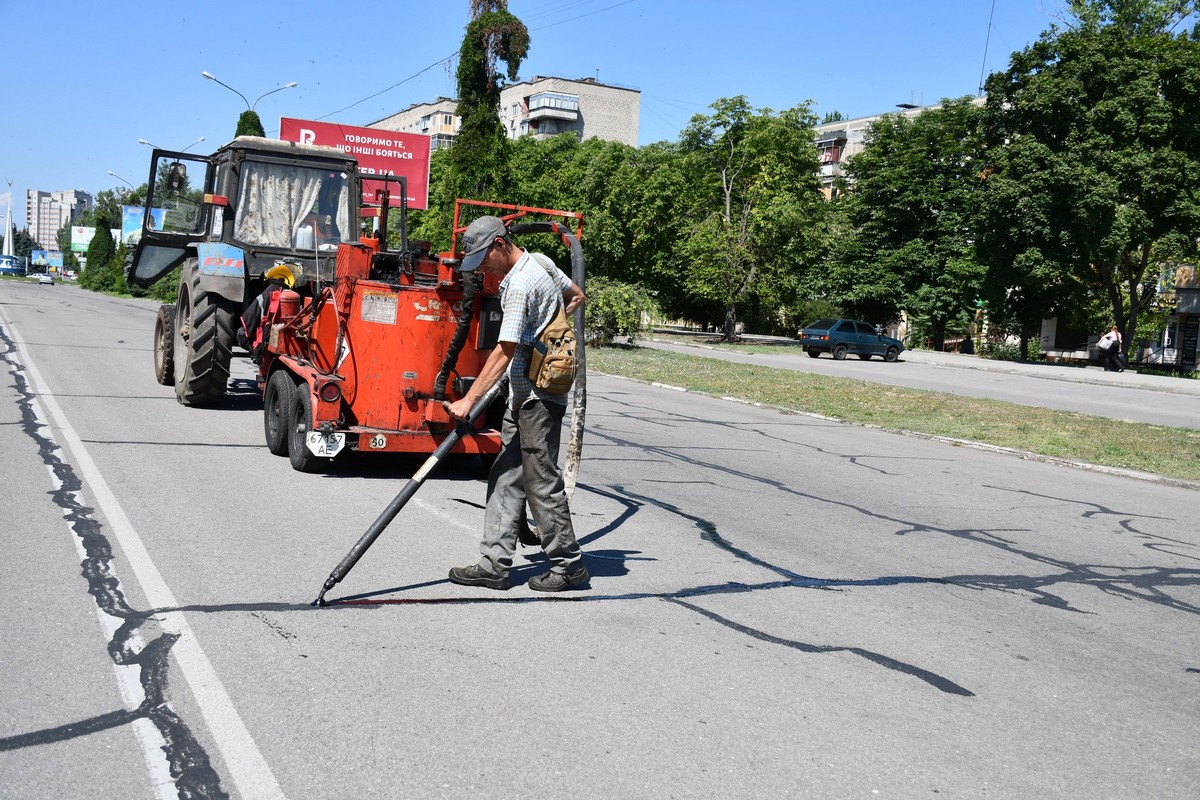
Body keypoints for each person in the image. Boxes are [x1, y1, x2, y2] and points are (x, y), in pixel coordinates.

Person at [445, 215, 589, 592]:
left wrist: (468, 401)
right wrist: (548, 331)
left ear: (499, 245)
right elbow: (576, 295)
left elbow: (504, 350)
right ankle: (494, 564)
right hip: (523, 394)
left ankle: (570, 565)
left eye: (483, 261)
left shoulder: (521, 285)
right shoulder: (539, 260)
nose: (484, 272)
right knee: (506, 476)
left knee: (540, 482)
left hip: (539, 399)